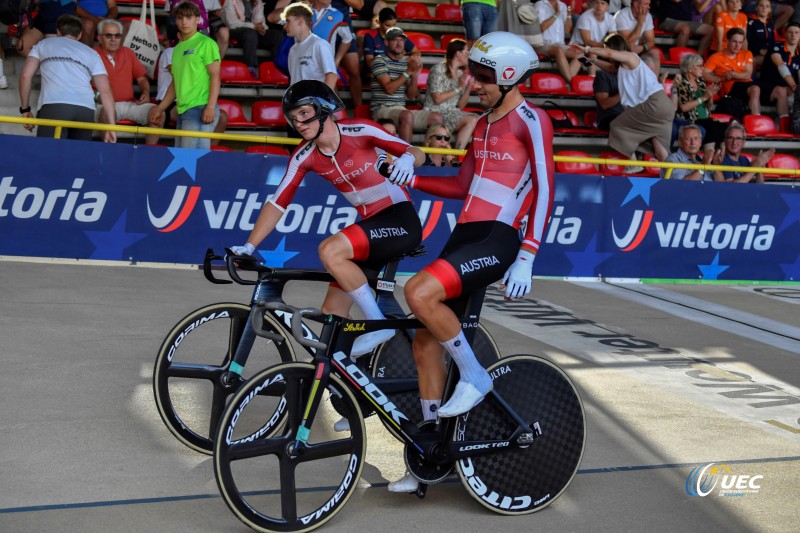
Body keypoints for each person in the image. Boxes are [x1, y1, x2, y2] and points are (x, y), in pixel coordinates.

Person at [385, 31, 554, 492]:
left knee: (417, 291)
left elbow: (545, 187)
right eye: (472, 73)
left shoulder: (530, 119)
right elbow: (463, 186)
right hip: (465, 236)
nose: (473, 82)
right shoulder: (481, 125)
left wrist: (528, 254)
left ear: (508, 75)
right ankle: (431, 455)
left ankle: (476, 376)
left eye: (481, 76)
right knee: (423, 344)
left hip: (498, 239)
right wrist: (410, 177)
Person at [230, 79, 426, 357]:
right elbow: (278, 201)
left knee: (330, 251)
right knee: (332, 314)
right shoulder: (304, 155)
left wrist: (407, 159)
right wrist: (249, 246)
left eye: (304, 113)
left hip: (398, 220)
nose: (298, 122)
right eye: (293, 117)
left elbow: (417, 152)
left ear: (323, 110)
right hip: (370, 228)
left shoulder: (360, 130)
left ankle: (379, 326)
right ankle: (347, 381)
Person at [19, 14, 117, 143]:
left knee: (49, 156)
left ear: (58, 32)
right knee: (77, 158)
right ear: (80, 35)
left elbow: (25, 76)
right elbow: (105, 91)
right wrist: (111, 126)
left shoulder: (43, 44)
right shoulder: (92, 53)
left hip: (54, 106)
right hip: (85, 110)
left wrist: (25, 109)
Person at [583, 33, 673, 168]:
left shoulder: (630, 56)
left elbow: (610, 54)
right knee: (660, 149)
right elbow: (607, 66)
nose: (605, 53)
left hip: (653, 103)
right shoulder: (623, 66)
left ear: (614, 47)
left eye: (607, 48)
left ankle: (633, 164)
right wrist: (587, 59)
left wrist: (587, 49)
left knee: (617, 126)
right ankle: (670, 180)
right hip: (664, 105)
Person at [149, 1, 221, 149]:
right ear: (175, 21)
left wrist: (211, 106)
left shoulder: (206, 43)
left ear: (197, 19)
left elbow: (215, 76)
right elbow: (176, 83)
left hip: (200, 107)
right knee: (186, 160)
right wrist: (160, 108)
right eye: (180, 18)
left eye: (188, 18)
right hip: (184, 109)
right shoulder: (177, 49)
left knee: (192, 161)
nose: (184, 22)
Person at [94, 19, 164, 145]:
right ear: (99, 38)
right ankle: (107, 152)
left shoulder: (127, 52)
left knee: (158, 113)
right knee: (106, 111)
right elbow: (83, 85)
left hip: (130, 104)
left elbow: (142, 78)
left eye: (117, 35)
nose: (113, 39)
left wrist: (146, 92)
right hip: (104, 106)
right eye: (108, 35)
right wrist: (97, 96)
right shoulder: (92, 55)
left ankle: (149, 153)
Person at [370, 26, 443, 143]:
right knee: (407, 115)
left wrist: (414, 77)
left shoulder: (405, 64)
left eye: (402, 40)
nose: (399, 44)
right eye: (395, 40)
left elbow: (411, 95)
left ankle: (430, 157)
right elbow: (389, 89)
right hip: (382, 110)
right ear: (386, 42)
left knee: (437, 117)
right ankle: (406, 156)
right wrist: (408, 71)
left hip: (401, 109)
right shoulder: (379, 61)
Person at [422, 38, 478, 150]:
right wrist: (459, 88)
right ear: (458, 53)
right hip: (436, 111)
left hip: (452, 112)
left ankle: (458, 155)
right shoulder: (438, 69)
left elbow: (461, 106)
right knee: (472, 120)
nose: (469, 55)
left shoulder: (460, 73)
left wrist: (467, 88)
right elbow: (437, 99)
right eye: (467, 52)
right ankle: (458, 155)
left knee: (478, 119)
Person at [672, 53, 727, 151]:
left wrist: (710, 96)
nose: (703, 69)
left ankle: (723, 157)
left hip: (705, 118)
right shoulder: (681, 83)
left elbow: (708, 107)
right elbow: (683, 107)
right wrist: (704, 97)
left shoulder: (701, 82)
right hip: (691, 120)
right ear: (689, 68)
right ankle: (709, 155)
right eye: (699, 66)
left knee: (725, 127)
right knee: (711, 127)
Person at [704, 27, 760, 116]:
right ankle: (756, 119)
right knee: (755, 89)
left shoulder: (747, 54)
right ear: (727, 41)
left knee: (758, 88)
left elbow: (747, 74)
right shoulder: (716, 57)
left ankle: (755, 119)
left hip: (746, 87)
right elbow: (704, 74)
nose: (737, 45)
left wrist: (732, 74)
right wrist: (721, 78)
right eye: (734, 41)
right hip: (730, 89)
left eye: (740, 42)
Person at [282, 2, 337, 87]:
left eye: (288, 21)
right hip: (298, 99)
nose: (285, 26)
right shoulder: (293, 49)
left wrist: (322, 99)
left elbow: (332, 76)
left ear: (301, 22)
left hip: (314, 99)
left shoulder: (319, 44)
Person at [222, 0, 282, 78]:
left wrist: (262, 28)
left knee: (277, 35)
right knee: (250, 34)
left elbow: (260, 21)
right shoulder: (230, 1)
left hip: (254, 30)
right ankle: (250, 67)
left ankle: (277, 67)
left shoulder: (257, 1)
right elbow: (232, 24)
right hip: (235, 30)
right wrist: (253, 26)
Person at [756, 21, 800, 120]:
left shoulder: (798, 55)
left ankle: (795, 125)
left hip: (785, 87)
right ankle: (783, 124)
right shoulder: (776, 47)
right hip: (766, 86)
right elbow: (780, 65)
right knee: (782, 91)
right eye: (790, 32)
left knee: (788, 91)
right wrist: (794, 86)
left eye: (796, 33)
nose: (793, 35)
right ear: (785, 34)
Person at [535, 0, 581, 84]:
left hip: (559, 44)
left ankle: (567, 82)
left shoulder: (562, 5)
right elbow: (542, 27)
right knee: (558, 50)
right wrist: (556, 14)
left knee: (580, 54)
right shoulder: (540, 4)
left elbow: (567, 30)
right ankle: (572, 83)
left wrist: (569, 14)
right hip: (542, 43)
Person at [330, 0, 364, 106]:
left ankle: (359, 110)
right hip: (323, 25)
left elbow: (359, 5)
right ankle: (338, 112)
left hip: (343, 24)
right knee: (328, 71)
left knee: (354, 70)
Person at [615, 0, 661, 76]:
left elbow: (651, 41)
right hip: (623, 50)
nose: (649, 7)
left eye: (649, 4)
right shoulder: (621, 16)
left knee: (655, 53)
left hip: (638, 48)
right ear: (636, 4)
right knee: (631, 52)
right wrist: (640, 22)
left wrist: (642, 48)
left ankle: (654, 84)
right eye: (646, 4)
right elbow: (628, 43)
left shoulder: (648, 15)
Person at [593, 61, 625, 130]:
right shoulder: (603, 76)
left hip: (628, 117)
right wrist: (623, 92)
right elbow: (604, 105)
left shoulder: (633, 78)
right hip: (608, 118)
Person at [746, 0, 776, 72]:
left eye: (767, 6)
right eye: (761, 5)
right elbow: (746, 42)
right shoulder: (751, 23)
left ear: (770, 9)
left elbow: (772, 42)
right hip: (754, 54)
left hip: (769, 53)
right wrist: (759, 50)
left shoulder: (770, 24)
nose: (764, 8)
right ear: (756, 8)